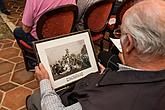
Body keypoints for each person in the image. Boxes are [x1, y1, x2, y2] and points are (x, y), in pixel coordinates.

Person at [26, 0, 165, 110]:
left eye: (120, 32)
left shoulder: (102, 102)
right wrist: (109, 75)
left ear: (129, 43)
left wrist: (44, 83)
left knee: (35, 99)